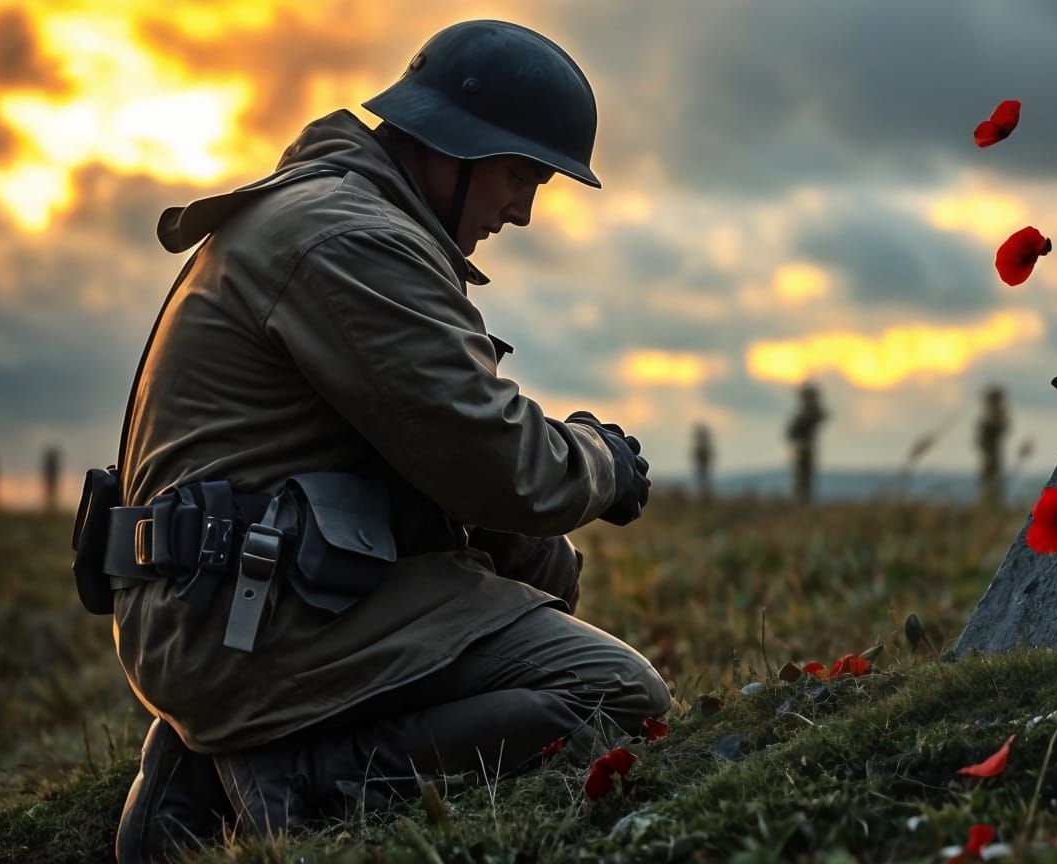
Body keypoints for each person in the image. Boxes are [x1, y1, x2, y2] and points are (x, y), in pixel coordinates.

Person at [106, 20, 669, 861]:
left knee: (539, 571)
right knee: (613, 696)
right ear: (452, 148)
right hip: (238, 625)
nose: (520, 210)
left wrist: (540, 562)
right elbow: (501, 468)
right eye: (519, 175)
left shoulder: (337, 218)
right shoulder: (351, 239)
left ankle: (199, 769)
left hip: (230, 614)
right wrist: (605, 464)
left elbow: (448, 458)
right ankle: (290, 776)